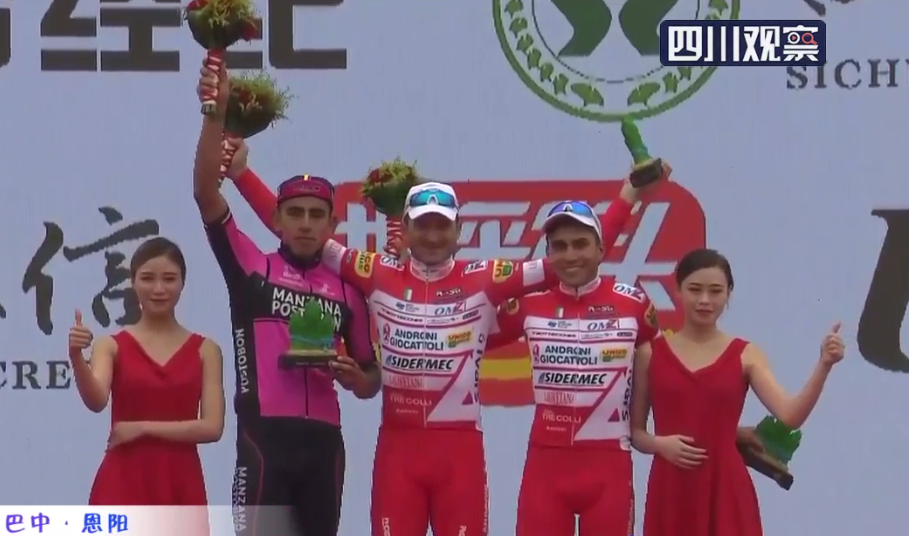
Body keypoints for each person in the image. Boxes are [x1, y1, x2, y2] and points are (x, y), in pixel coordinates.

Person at [213, 144, 654, 535]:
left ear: (459, 231)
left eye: (442, 226)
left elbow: (573, 258)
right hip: (399, 452)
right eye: (422, 226)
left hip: (459, 454)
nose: (432, 235)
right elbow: (299, 232)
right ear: (404, 229)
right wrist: (242, 175)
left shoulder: (484, 278)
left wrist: (628, 195)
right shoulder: (374, 271)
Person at [486, 204, 769, 536]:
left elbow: (675, 378)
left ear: (601, 249)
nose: (570, 254)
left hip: (609, 468)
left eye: (580, 244)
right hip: (546, 467)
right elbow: (462, 337)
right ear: (548, 255)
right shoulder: (528, 305)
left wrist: (723, 433)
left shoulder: (633, 304)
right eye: (559, 246)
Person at [194, 64, 380, 535]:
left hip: (325, 444)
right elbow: (205, 193)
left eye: (317, 215)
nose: (305, 223)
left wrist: (357, 378)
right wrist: (215, 113)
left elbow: (370, 378)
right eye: (295, 213)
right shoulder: (251, 267)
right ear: (277, 219)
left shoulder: (349, 289)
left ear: (332, 225)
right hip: (264, 439)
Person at [630, 248, 845, 536]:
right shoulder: (650, 353)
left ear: (728, 294)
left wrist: (824, 365)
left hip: (727, 488)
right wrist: (660, 445)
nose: (704, 300)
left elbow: (790, 415)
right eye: (695, 289)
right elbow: (636, 432)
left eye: (715, 291)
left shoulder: (746, 354)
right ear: (678, 290)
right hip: (670, 488)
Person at [67, 237, 224, 510]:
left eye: (169, 279)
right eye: (148, 278)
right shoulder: (111, 345)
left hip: (179, 482)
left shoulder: (206, 349)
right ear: (133, 282)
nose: (158, 289)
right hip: (122, 480)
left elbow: (212, 427)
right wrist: (77, 357)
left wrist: (142, 428)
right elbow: (96, 400)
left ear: (183, 283)